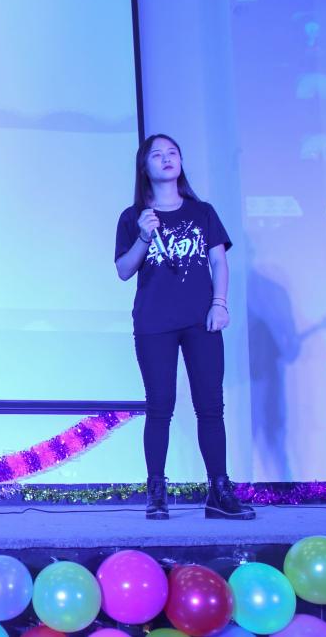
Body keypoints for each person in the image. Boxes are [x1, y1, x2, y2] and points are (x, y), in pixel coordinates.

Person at [114, 133, 255, 521]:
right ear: (144, 167)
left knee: (210, 407)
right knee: (160, 407)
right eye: (157, 155)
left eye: (172, 153)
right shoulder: (132, 216)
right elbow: (124, 270)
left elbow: (219, 262)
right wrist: (143, 236)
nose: (167, 159)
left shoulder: (202, 212)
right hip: (154, 322)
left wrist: (219, 304)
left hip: (200, 320)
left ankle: (219, 492)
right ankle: (156, 492)